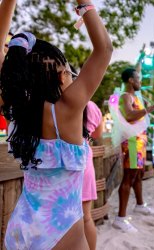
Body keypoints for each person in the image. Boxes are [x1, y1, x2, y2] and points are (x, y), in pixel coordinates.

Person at [1, 1, 113, 249]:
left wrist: (8, 3)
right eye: (70, 72)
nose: (73, 77)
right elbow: (104, 49)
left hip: (21, 229)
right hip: (63, 234)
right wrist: (83, 2)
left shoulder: (17, 113)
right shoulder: (68, 109)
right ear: (62, 75)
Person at [112, 68, 154, 233]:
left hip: (139, 142)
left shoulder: (134, 96)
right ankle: (120, 218)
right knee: (129, 177)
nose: (140, 82)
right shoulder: (126, 96)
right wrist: (151, 108)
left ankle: (140, 205)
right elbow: (129, 115)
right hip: (132, 143)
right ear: (130, 81)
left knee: (138, 175)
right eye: (138, 79)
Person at [82, 101, 103, 250]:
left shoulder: (52, 101)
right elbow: (97, 134)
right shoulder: (90, 106)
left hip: (58, 166)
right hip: (83, 161)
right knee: (86, 217)